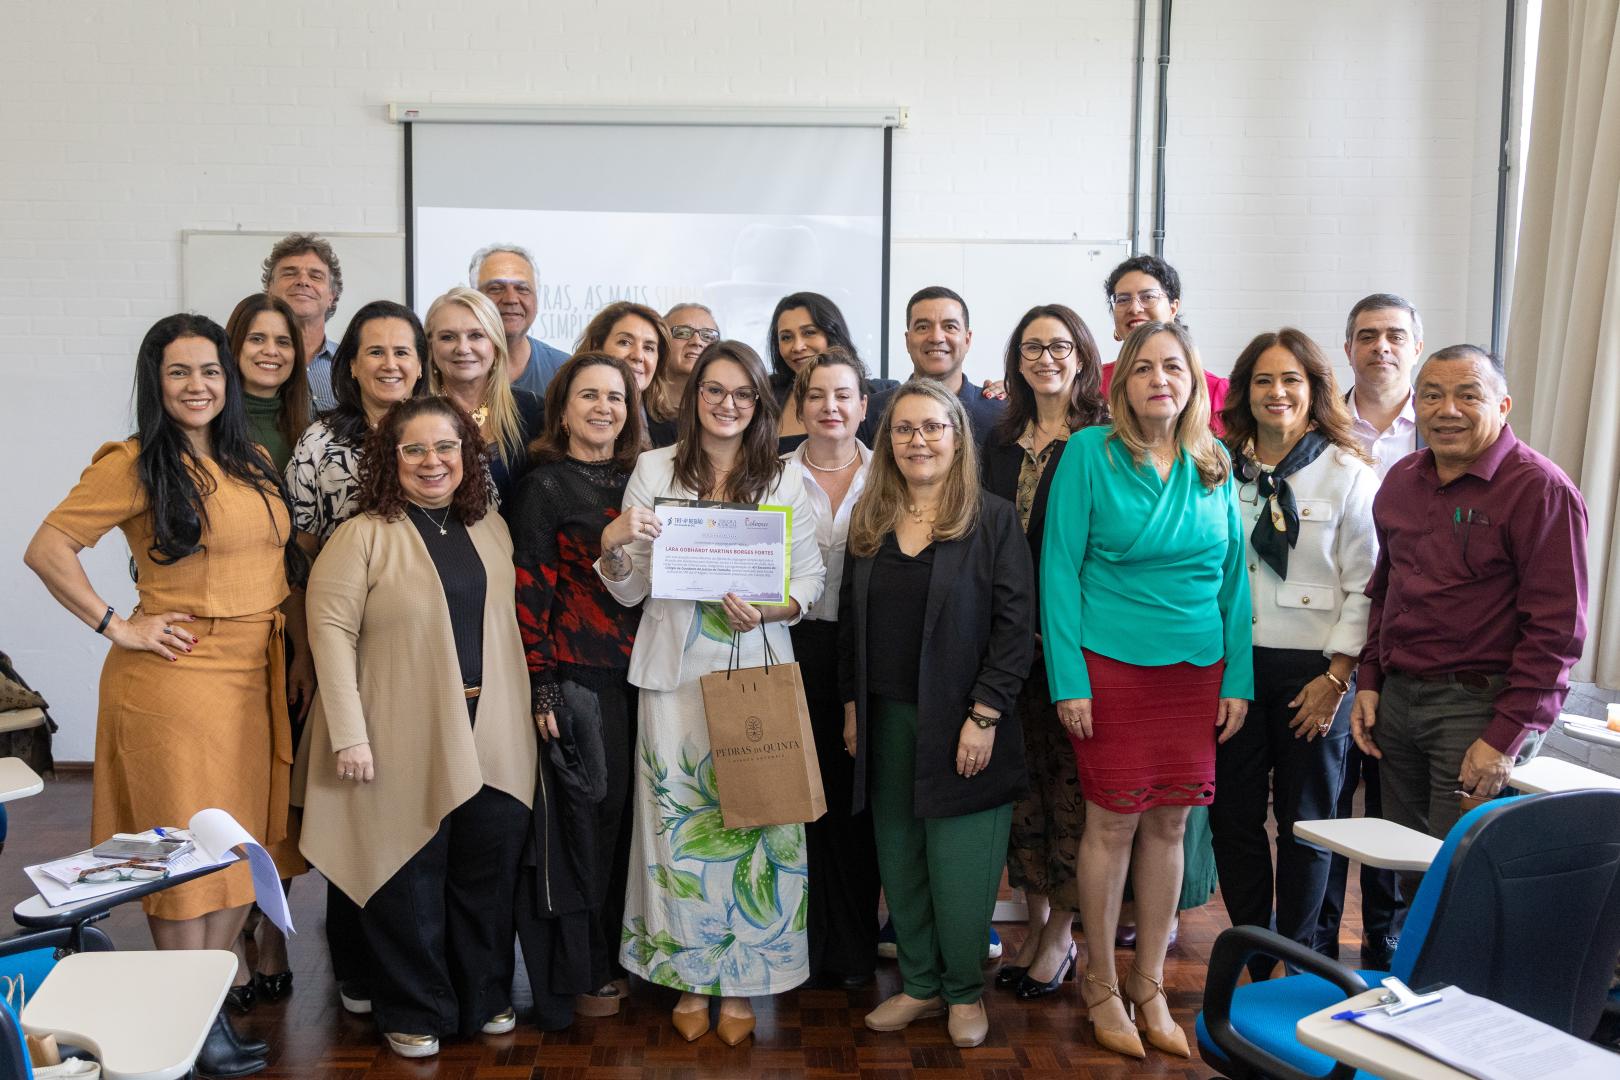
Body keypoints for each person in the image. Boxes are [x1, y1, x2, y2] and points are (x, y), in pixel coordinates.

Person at [24, 312, 308, 1078]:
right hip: (176, 681)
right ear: (156, 382)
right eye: (179, 372)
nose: (197, 385)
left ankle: (201, 1010)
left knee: (239, 851)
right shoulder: (134, 463)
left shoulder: (248, 458)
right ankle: (189, 1026)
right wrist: (117, 624)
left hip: (254, 676)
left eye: (210, 370)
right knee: (184, 860)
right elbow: (48, 548)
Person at [596, 340, 825, 1045]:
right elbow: (631, 588)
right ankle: (690, 978)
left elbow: (811, 580)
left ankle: (746, 984)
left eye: (743, 393)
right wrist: (613, 543)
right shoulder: (654, 468)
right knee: (676, 833)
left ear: (760, 403)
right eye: (714, 390)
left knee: (759, 826)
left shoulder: (783, 478)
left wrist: (773, 609)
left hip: (754, 669)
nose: (728, 404)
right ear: (693, 396)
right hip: (674, 679)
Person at [299, 396, 537, 1059]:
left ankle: (484, 996)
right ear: (390, 458)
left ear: (467, 455)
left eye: (446, 447)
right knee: (408, 876)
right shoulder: (361, 535)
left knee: (485, 875)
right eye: (415, 449)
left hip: (494, 728)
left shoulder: (491, 527)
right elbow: (330, 635)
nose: (433, 462)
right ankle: (414, 1009)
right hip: (396, 730)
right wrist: (349, 734)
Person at [1041, 320, 1252, 1061]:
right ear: (1121, 383)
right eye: (1143, 368)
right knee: (1112, 824)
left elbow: (1234, 580)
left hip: (1196, 668)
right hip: (1109, 666)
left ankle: (1149, 981)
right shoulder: (1088, 454)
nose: (1160, 379)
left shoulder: (1214, 459)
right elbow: (1058, 570)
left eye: (1174, 367)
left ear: (1193, 382)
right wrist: (1068, 679)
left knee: (1172, 825)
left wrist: (1238, 677)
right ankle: (1101, 982)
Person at [839, 379, 1034, 1049]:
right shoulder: (870, 517)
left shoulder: (993, 519)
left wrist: (985, 715)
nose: (917, 440)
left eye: (932, 428)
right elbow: (850, 625)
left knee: (961, 869)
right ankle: (920, 985)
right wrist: (852, 707)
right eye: (903, 429)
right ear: (887, 440)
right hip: (885, 718)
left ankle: (963, 991)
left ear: (958, 438)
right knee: (901, 860)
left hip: (963, 723)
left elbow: (1015, 628)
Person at [1353, 345, 1588, 844]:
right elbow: (1385, 591)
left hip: (1479, 709)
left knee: (1459, 865)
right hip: (1398, 701)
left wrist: (1504, 737)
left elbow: (1557, 632)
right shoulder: (1401, 481)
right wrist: (1370, 679)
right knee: (1404, 860)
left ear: (1503, 406)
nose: (1448, 410)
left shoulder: (1540, 490)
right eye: (1432, 396)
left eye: (1468, 396)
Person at [1210, 328, 1378, 980]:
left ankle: (1298, 958)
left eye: (1290, 380)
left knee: (1307, 824)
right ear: (1245, 392)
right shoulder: (1218, 468)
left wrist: (1337, 678)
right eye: (1263, 380)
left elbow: (1367, 586)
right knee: (1233, 821)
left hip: (1315, 675)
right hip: (1235, 670)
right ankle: (1256, 957)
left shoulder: (1348, 473)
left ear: (1314, 390)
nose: (1276, 392)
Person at [284, 300, 427, 1017]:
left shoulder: (441, 430)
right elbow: (299, 555)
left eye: (403, 351)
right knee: (355, 798)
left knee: (415, 804)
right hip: (347, 646)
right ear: (351, 364)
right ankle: (356, 961)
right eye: (375, 351)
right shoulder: (320, 441)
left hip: (426, 653)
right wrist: (306, 652)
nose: (390, 364)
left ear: (421, 363)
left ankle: (411, 958)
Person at [510, 352, 647, 1024]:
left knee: (629, 827)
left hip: (645, 677)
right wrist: (543, 687)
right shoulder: (544, 487)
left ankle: (622, 957)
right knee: (586, 827)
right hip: (578, 676)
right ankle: (585, 971)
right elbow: (529, 593)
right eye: (588, 395)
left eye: (615, 397)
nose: (603, 408)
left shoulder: (642, 480)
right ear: (562, 410)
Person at [980, 305, 1107, 1000]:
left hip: (1077, 646)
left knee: (1072, 795)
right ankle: (1034, 927)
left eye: (1059, 346)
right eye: (1032, 347)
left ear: (1081, 356)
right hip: (1007, 645)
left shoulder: (1103, 440)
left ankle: (1060, 935)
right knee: (1022, 792)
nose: (1046, 358)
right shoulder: (996, 442)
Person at [1316, 292, 1426, 969]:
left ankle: (1384, 941)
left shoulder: (1443, 425)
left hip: (1406, 642)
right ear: (1348, 348)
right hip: (1332, 636)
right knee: (1329, 798)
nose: (1381, 346)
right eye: (1366, 335)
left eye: (1394, 335)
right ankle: (1318, 941)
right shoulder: (1321, 425)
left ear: (1415, 346)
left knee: (1392, 805)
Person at [781, 348, 880, 989]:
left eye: (843, 395)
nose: (830, 407)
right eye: (817, 395)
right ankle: (800, 949)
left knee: (856, 802)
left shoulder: (890, 473)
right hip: (790, 644)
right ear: (800, 405)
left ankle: (852, 950)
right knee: (798, 800)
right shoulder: (772, 475)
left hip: (869, 651)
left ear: (863, 405)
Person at [425, 286, 543, 507]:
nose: (463, 348)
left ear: (495, 346)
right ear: (431, 348)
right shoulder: (412, 416)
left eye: (476, 336)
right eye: (448, 337)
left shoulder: (533, 411)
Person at [1097, 255, 1227, 430]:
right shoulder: (1094, 384)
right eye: (1123, 299)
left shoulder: (1215, 391)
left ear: (1173, 308)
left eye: (1148, 296)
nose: (1134, 308)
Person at [867, 287, 1005, 448]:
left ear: (967, 340)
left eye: (950, 327)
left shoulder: (1001, 414)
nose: (936, 338)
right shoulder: (871, 412)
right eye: (923, 327)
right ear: (908, 341)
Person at [766, 292, 898, 452]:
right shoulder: (766, 397)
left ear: (832, 334)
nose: (797, 347)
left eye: (809, 332)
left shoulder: (882, 396)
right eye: (786, 337)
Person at [471, 243, 571, 401]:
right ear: (473, 298)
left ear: (536, 299)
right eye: (496, 288)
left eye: (522, 289)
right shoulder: (449, 366)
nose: (511, 299)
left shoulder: (565, 370)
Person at [226, 293, 311, 475]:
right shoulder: (207, 426)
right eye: (257, 339)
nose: (271, 351)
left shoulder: (310, 434)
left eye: (283, 342)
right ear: (235, 345)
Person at [263, 233, 343, 411]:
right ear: (269, 289)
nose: (302, 281)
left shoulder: (350, 363)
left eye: (316, 276)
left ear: (332, 295)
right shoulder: (250, 360)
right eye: (290, 273)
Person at [646, 302, 719, 447]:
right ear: (660, 343)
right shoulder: (635, 405)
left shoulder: (727, 409)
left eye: (707, 335)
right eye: (683, 332)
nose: (697, 342)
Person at [578, 300, 669, 398]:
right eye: (625, 342)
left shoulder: (666, 408)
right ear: (597, 347)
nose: (638, 356)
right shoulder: (569, 405)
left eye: (648, 348)